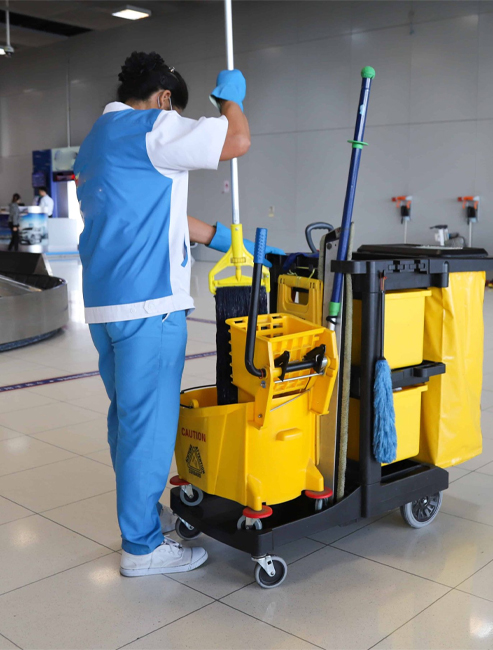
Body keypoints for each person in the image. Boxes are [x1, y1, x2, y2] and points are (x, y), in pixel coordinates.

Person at [74, 51, 282, 578]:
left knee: (128, 420)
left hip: (105, 304)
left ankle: (141, 517)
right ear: (165, 98)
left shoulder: (97, 139)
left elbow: (151, 213)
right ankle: (142, 547)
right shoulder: (154, 126)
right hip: (150, 303)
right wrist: (231, 103)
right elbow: (237, 141)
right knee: (150, 428)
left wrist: (221, 238)